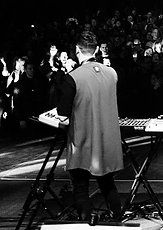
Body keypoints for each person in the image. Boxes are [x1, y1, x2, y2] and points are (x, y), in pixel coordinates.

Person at [56, 31, 124, 221]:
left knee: (80, 186)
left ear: (77, 50)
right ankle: (117, 215)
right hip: (106, 139)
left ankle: (87, 220)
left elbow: (63, 113)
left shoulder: (73, 77)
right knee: (107, 181)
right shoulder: (112, 73)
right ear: (96, 49)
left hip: (83, 140)